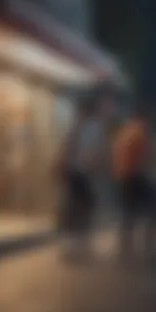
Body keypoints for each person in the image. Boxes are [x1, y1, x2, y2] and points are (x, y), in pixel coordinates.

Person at [54, 95, 110, 261]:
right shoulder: (93, 127)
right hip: (82, 173)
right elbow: (97, 151)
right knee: (84, 208)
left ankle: (73, 247)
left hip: (77, 172)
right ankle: (79, 246)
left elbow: (68, 147)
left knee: (75, 208)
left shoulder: (78, 126)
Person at [112, 102, 156, 263]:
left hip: (124, 175)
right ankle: (150, 250)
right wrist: (153, 177)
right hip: (134, 175)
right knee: (155, 210)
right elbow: (145, 158)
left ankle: (124, 249)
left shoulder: (127, 129)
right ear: (146, 116)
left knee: (129, 213)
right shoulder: (140, 131)